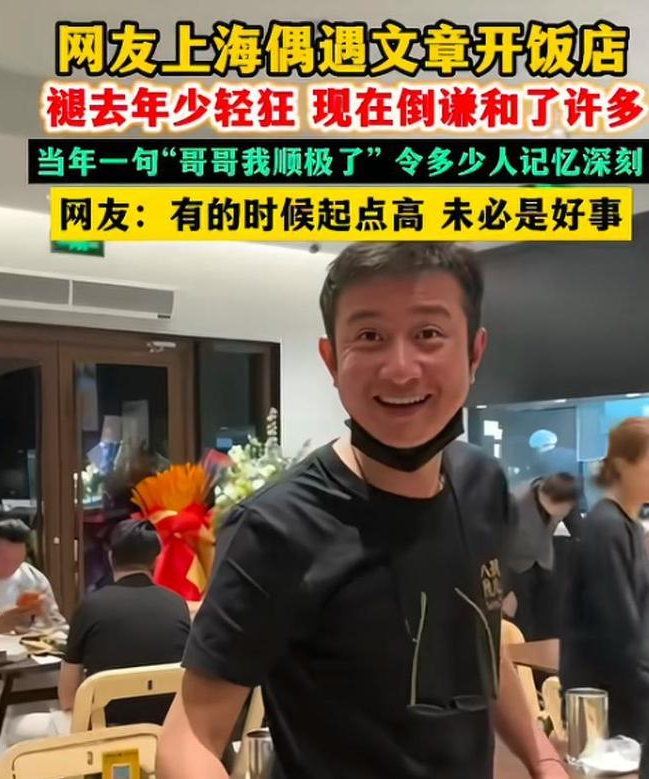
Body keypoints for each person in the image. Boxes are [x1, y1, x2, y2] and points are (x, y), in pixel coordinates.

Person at [157, 242, 567, 779]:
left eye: (428, 334)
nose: (400, 369)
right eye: (369, 336)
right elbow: (188, 739)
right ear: (331, 360)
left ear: (474, 353)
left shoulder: (482, 484)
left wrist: (543, 759)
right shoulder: (277, 528)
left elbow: (481, 645)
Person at [2, 520, 191, 749]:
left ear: (111, 557)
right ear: (155, 560)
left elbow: (67, 698)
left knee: (13, 727)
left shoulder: (91, 606)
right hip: (164, 733)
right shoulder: (177, 605)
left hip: (102, 733)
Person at [561, 417, 649, 742]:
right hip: (609, 703)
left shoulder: (627, 527)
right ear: (623, 465)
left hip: (624, 695)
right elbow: (620, 633)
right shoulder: (607, 528)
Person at [507, 474, 580, 640]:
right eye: (563, 509)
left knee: (550, 620)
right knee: (523, 623)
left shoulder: (566, 496)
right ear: (546, 497)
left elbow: (578, 528)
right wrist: (506, 590)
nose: (564, 513)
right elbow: (498, 545)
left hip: (544, 561)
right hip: (516, 567)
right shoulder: (514, 502)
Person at [0, 518, 67, 632]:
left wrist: (45, 617)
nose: (11, 567)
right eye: (5, 561)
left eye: (17, 562)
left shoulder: (33, 579)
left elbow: (58, 626)